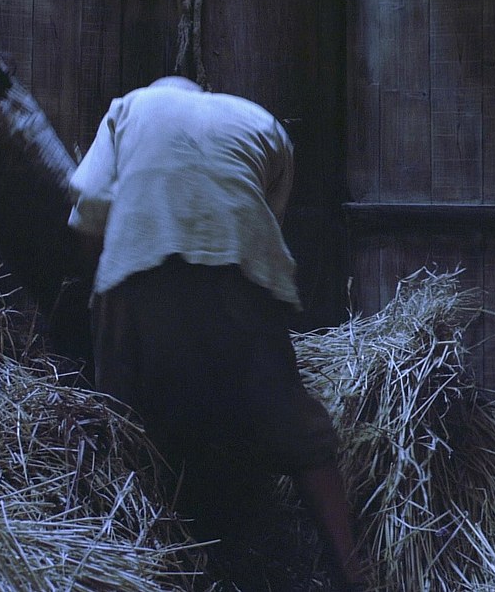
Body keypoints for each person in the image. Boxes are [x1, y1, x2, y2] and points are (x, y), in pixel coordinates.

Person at [67, 76, 364, 590]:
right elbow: (265, 220)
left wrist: (101, 291)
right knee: (295, 426)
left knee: (122, 424)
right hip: (236, 275)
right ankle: (354, 570)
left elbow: (90, 202)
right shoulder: (260, 120)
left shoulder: (130, 107)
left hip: (138, 270)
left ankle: (125, 564)